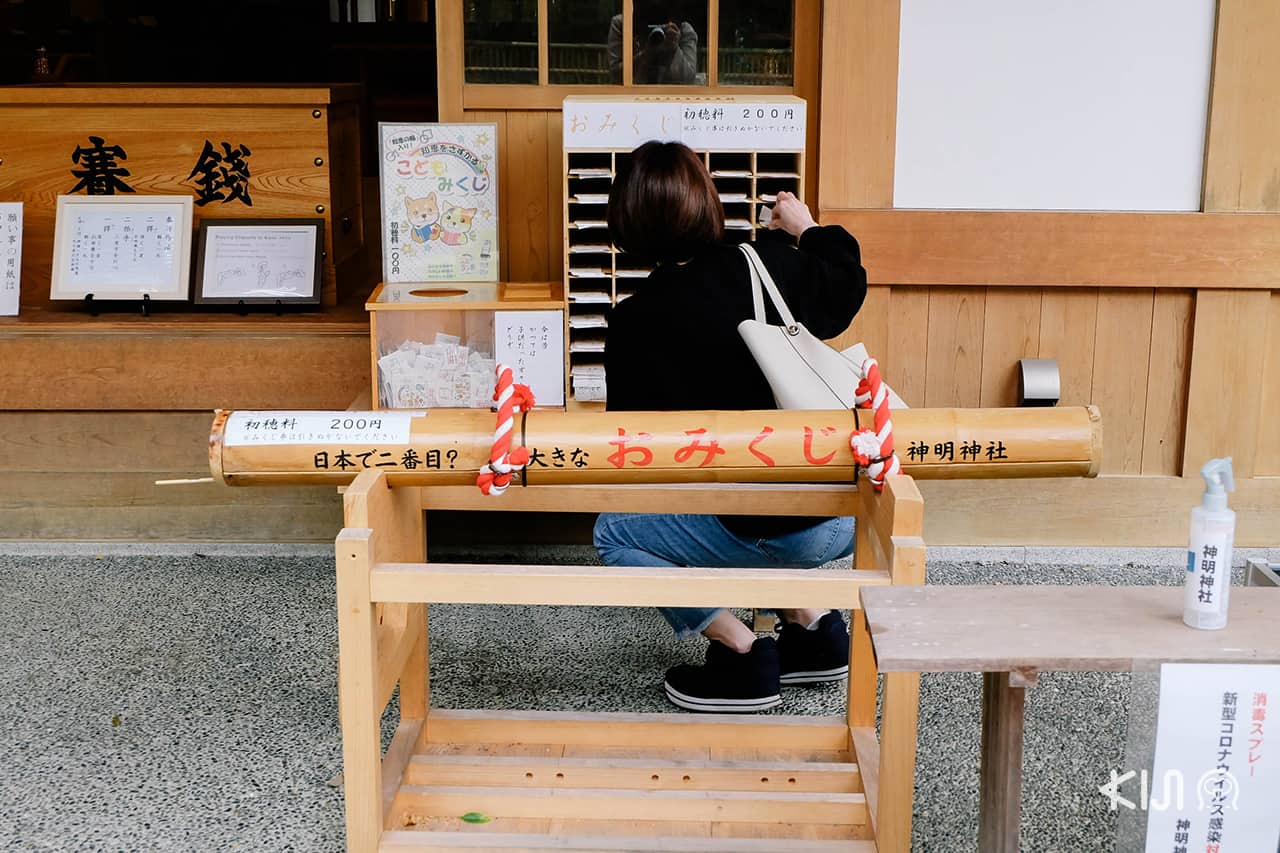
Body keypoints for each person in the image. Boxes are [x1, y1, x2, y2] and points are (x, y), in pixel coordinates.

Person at [593, 141, 868, 713]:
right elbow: (846, 283)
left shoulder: (632, 323)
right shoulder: (769, 265)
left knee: (615, 532)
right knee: (756, 506)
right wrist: (805, 226)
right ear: (707, 203)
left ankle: (743, 651)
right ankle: (811, 625)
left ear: (626, 223)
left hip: (743, 523)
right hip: (837, 516)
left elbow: (634, 452)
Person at [606, 10, 698, 84]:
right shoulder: (624, 23)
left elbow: (688, 79)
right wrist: (647, 53)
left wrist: (674, 48)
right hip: (632, 97)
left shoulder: (682, 29)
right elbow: (616, 75)